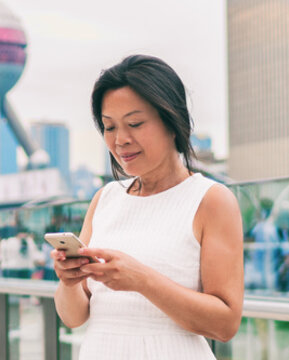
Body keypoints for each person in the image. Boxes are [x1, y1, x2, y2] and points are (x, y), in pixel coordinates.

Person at [52, 55, 244, 359]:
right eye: (109, 127)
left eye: (135, 124)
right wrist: (68, 282)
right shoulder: (105, 199)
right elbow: (74, 317)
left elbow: (225, 323)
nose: (120, 140)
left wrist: (142, 280)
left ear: (171, 121)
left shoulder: (211, 200)